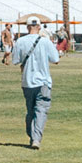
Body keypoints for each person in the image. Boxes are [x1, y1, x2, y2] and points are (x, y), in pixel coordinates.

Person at [11, 17, 60, 151]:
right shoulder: (45, 42)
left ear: (27, 27)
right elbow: (55, 59)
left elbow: (15, 60)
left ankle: (32, 134)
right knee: (41, 110)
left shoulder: (20, 41)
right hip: (43, 80)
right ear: (39, 27)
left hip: (27, 81)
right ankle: (36, 138)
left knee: (30, 110)